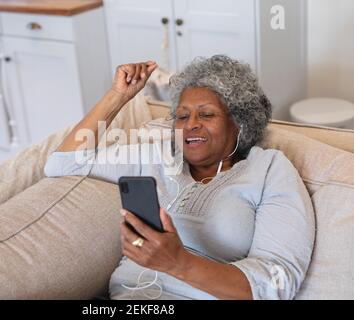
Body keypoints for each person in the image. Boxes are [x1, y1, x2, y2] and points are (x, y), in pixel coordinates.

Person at [44, 55, 315, 300]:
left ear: (240, 123)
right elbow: (62, 164)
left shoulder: (269, 170)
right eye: (182, 116)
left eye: (206, 114)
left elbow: (277, 283)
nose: (190, 124)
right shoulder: (158, 155)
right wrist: (117, 96)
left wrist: (178, 262)